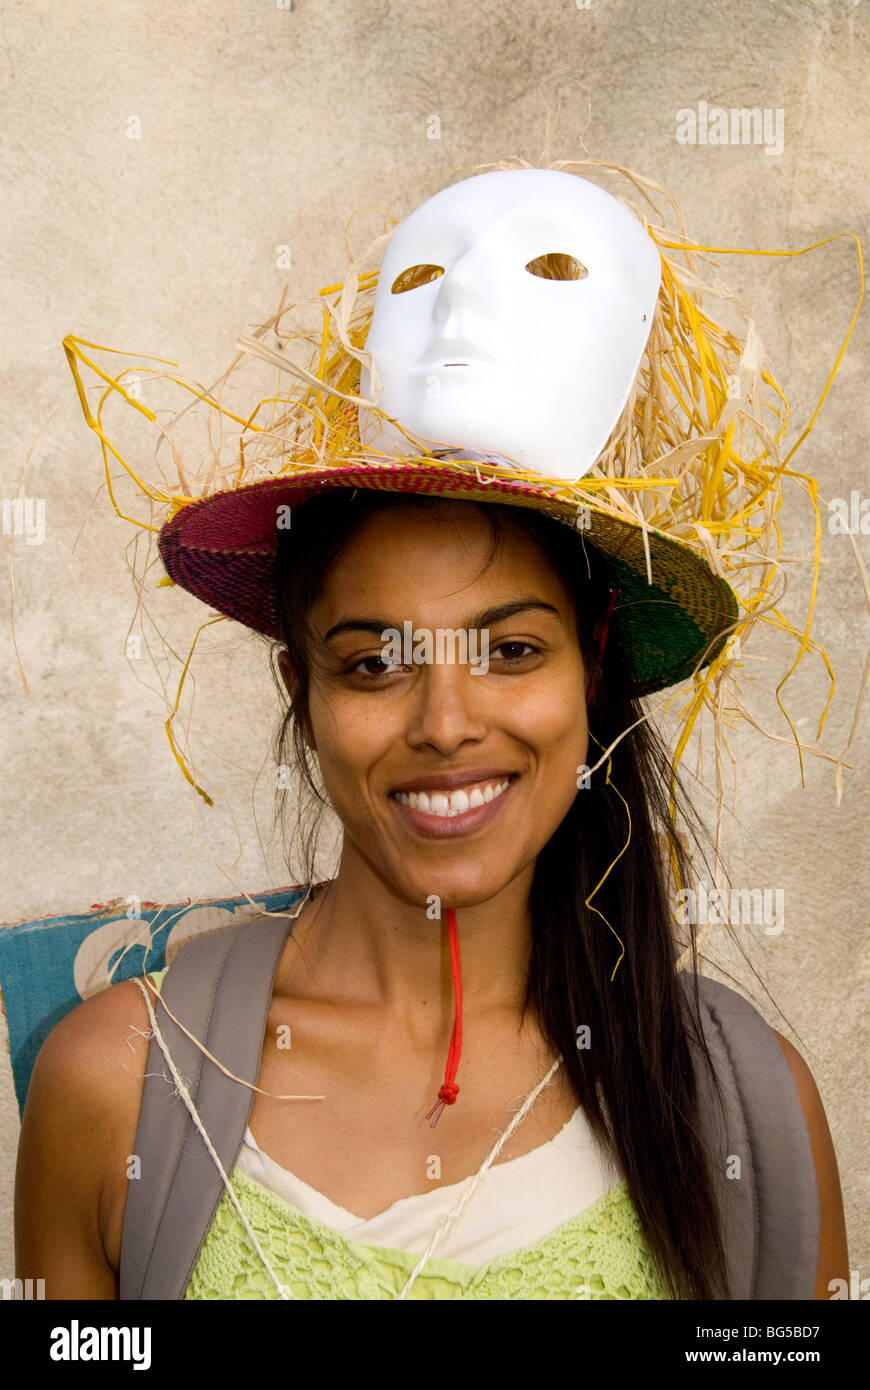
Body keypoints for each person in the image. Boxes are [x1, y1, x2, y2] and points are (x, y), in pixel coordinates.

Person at [15, 162, 853, 1300]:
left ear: (594, 668)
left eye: (511, 650)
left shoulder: (741, 1105)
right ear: (298, 687)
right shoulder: (120, 1084)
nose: (446, 723)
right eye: (373, 663)